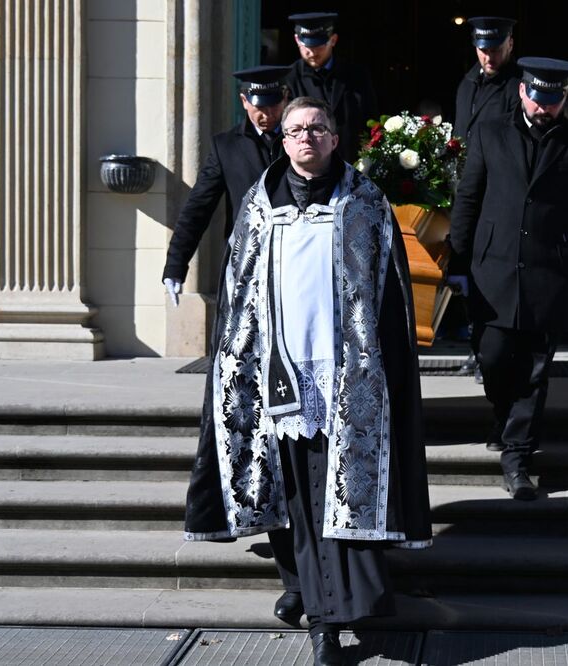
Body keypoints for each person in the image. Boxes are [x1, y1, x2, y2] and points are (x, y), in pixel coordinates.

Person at [180, 96, 432, 666]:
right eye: (295, 130)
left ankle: (327, 620)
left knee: (330, 497)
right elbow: (239, 296)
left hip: (348, 378)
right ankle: (308, 596)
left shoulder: (366, 203)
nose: (305, 137)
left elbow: (389, 298)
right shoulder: (257, 206)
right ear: (283, 140)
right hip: (278, 374)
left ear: (335, 138)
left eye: (316, 128)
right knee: (291, 495)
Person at [448, 57, 568, 500]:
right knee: (494, 357)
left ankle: (518, 458)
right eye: (539, 97)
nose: (546, 107)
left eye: (555, 99)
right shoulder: (489, 132)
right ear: (523, 92)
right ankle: (502, 420)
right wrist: (457, 262)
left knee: (535, 369)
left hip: (549, 272)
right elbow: (469, 196)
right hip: (493, 271)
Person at [162, 66, 291, 302]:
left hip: (295, 260)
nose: (268, 114)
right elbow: (198, 208)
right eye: (260, 107)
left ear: (285, 98)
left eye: (274, 105)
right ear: (244, 101)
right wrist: (175, 265)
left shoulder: (303, 139)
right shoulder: (226, 147)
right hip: (247, 264)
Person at [283, 12, 378, 163]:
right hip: (310, 167)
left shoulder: (356, 75)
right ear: (297, 40)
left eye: (319, 45)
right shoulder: (289, 79)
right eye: (307, 45)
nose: (312, 52)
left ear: (333, 40)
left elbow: (371, 119)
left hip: (351, 163)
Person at [452, 16, 522, 143]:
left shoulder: (519, 87)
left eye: (495, 50)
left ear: (510, 45)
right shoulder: (467, 83)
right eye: (483, 50)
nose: (489, 57)